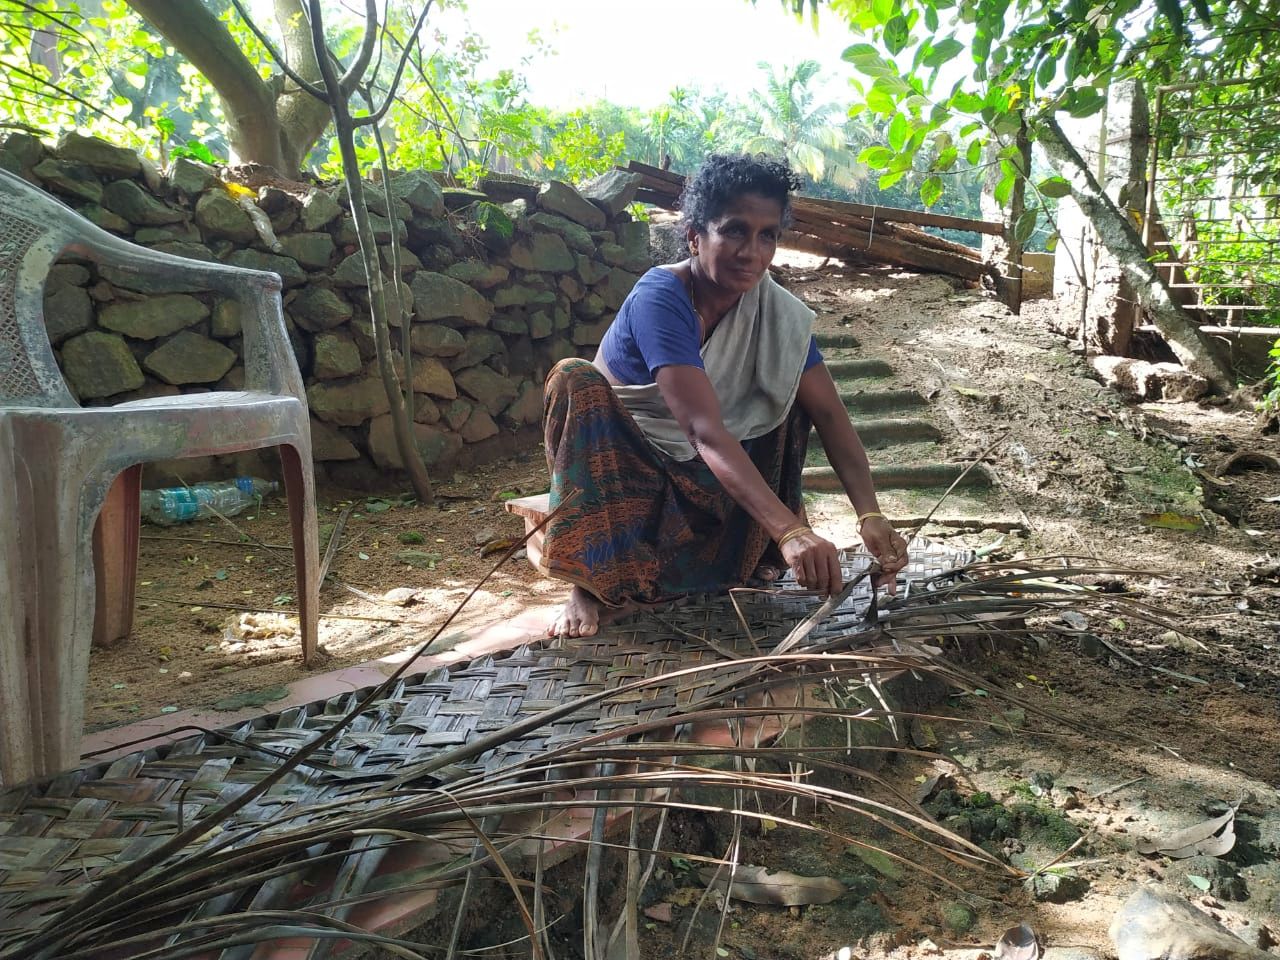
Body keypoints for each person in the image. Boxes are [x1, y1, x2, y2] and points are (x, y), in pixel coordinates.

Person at [540, 153, 909, 637]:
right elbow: (702, 430)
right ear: (695, 237)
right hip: (630, 466)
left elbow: (830, 415)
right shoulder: (662, 297)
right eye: (734, 230)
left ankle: (743, 557)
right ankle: (586, 587)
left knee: (789, 396)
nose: (751, 251)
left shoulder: (776, 315)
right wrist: (791, 531)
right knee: (573, 378)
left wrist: (870, 514)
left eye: (767, 235)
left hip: (709, 479)